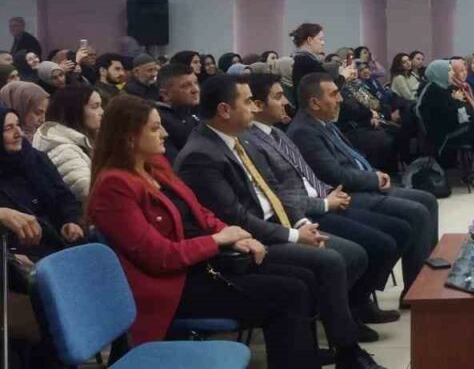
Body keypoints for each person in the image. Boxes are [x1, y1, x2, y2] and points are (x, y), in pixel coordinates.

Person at [86, 96, 321, 367]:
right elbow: (159, 256)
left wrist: (235, 235)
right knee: (289, 292)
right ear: (129, 138)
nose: (164, 134)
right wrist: (217, 240)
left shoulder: (155, 167)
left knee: (303, 278)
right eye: (154, 128)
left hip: (195, 267)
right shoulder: (114, 187)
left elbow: (200, 212)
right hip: (168, 288)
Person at [174, 75, 386, 367]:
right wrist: (294, 237)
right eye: (247, 102)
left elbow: (274, 191)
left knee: (336, 259)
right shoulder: (201, 155)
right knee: (330, 261)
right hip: (245, 243)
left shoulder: (237, 139)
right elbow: (237, 217)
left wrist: (299, 224)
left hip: (275, 225)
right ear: (224, 110)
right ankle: (347, 352)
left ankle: (323, 347)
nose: (253, 108)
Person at [245, 73, 406, 325]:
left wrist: (328, 192)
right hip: (303, 214)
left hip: (325, 200)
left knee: (394, 231)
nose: (286, 102)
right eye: (278, 96)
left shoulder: (277, 133)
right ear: (257, 105)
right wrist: (324, 202)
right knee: (374, 245)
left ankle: (355, 303)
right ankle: (348, 309)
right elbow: (280, 195)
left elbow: (307, 176)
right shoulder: (259, 141)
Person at [288, 72, 439, 305]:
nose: (340, 99)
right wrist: (373, 179)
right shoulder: (304, 131)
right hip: (347, 195)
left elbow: (353, 158)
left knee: (427, 200)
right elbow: (334, 175)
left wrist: (375, 174)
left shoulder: (324, 123)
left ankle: (424, 280)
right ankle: (415, 293)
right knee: (417, 212)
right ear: (315, 103)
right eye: (334, 94)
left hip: (364, 184)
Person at [0, 106, 85, 259]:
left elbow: (64, 196)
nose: (18, 133)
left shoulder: (36, 159)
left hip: (63, 244)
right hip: (25, 259)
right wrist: (11, 257)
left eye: (18, 125)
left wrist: (71, 221)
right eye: (8, 128)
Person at [419, 60, 474, 191]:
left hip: (451, 127)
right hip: (443, 135)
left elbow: (458, 112)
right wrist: (459, 105)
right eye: (448, 70)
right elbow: (451, 116)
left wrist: (463, 110)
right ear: (439, 73)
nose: (451, 73)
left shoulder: (442, 88)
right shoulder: (434, 91)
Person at [32, 85, 102, 200]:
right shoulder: (64, 150)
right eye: (95, 107)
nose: (102, 112)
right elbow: (87, 190)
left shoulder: (80, 141)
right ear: (75, 111)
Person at [155, 63, 202, 162]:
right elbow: (176, 163)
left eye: (196, 83)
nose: (195, 90)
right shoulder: (159, 121)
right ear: (165, 94)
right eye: (185, 86)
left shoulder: (191, 113)